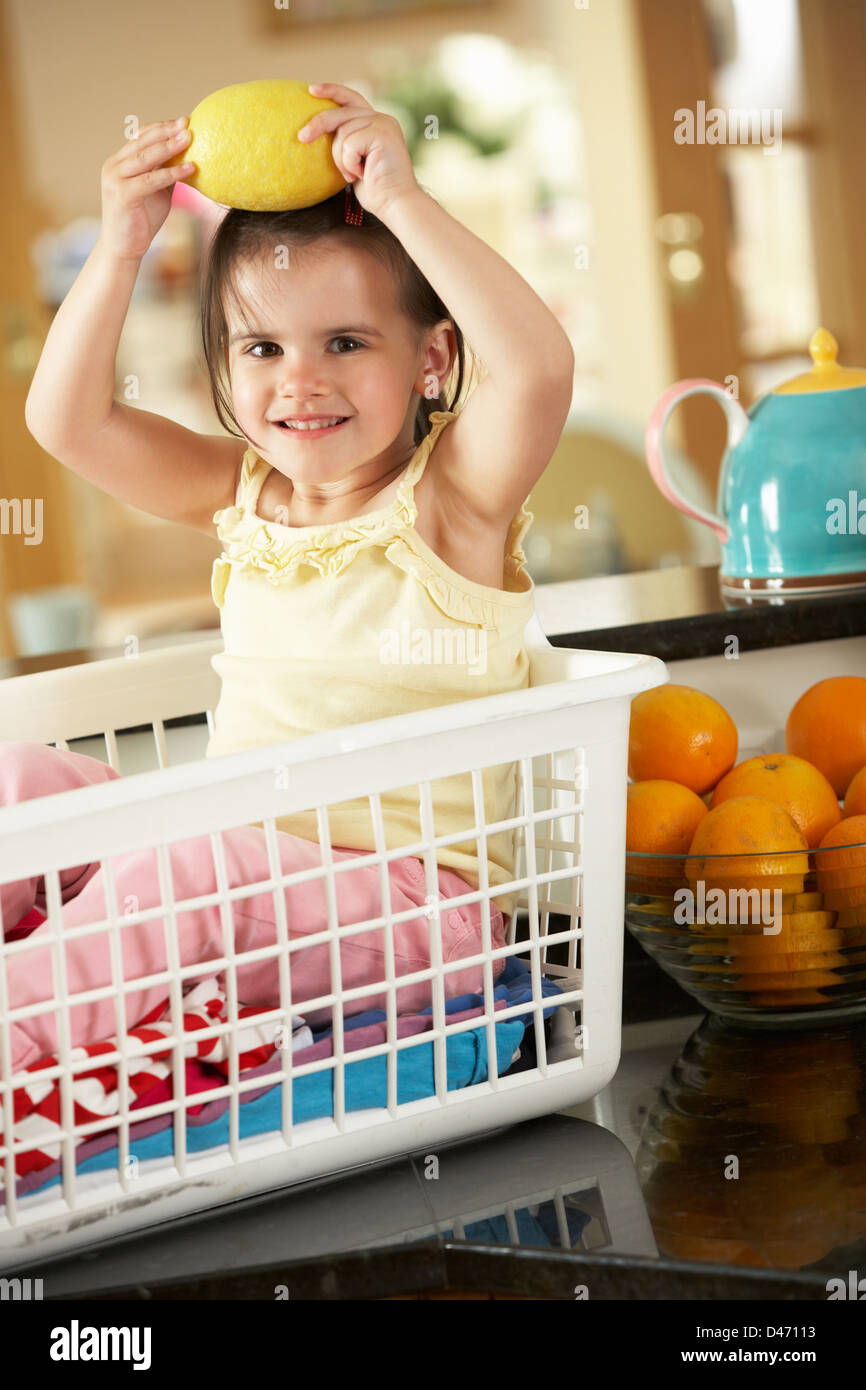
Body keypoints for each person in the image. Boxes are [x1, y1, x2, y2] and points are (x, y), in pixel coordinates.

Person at [11, 82, 574, 1073]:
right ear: (225, 371)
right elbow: (69, 422)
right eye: (262, 347)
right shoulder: (240, 493)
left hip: (413, 912)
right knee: (20, 779)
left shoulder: (451, 502)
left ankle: (17, 1037)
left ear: (432, 360)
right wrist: (119, 248)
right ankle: (56, 966)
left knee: (190, 865)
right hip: (231, 873)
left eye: (345, 343)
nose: (298, 379)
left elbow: (532, 369)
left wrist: (402, 199)